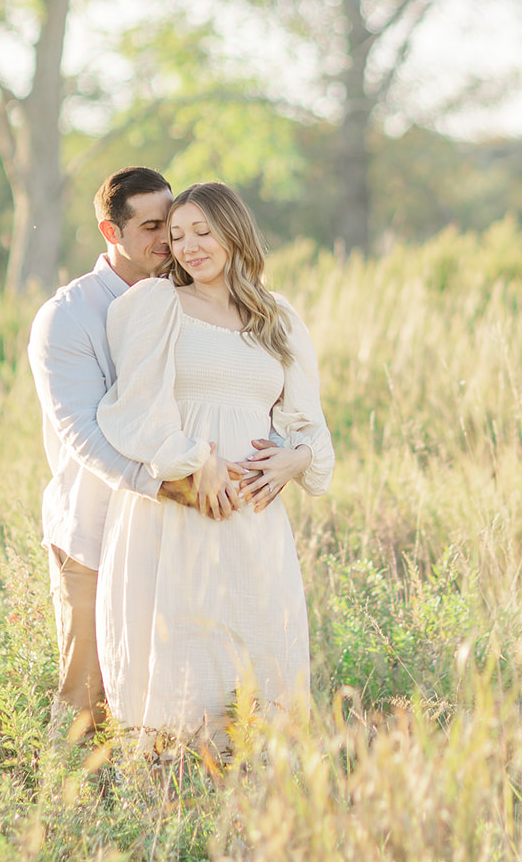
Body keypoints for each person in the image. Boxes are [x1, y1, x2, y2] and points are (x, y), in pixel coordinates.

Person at [28, 166, 307, 741]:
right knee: (90, 693)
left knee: (185, 670)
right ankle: (72, 807)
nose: (171, 242)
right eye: (154, 227)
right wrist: (174, 483)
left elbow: (246, 396)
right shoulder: (69, 314)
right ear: (113, 232)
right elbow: (86, 433)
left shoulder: (196, 301)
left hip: (185, 523)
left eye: (176, 224)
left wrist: (279, 459)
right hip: (97, 522)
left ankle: (186, 790)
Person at [94, 181, 334, 751]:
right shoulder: (157, 305)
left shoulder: (278, 317)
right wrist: (197, 459)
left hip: (254, 513)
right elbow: (135, 412)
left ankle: (256, 787)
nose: (189, 247)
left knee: (255, 649)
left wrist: (291, 462)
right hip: (184, 506)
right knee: (183, 650)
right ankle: (173, 785)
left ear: (234, 231)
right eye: (176, 236)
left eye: (203, 231)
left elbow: (309, 425)